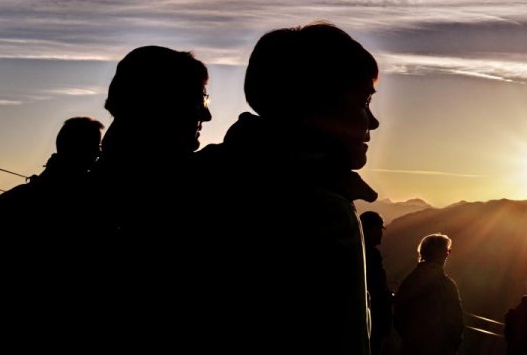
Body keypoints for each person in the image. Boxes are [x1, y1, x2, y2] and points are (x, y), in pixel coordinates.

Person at [196, 23, 381, 354]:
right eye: (364, 101)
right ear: (319, 105)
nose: (373, 121)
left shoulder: (203, 177)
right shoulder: (321, 210)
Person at [0, 117, 106, 351]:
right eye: (96, 149)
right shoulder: (92, 208)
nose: (98, 156)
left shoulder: (12, 201)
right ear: (86, 153)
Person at [395, 233, 467, 355]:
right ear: (440, 254)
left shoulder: (410, 280)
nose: (448, 254)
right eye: (447, 251)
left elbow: (398, 313)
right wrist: (453, 344)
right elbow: (455, 321)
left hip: (411, 347)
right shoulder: (446, 285)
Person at [363, 211, 394, 355]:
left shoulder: (360, 251)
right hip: (373, 320)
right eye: (381, 228)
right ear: (372, 229)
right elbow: (378, 288)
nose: (382, 233)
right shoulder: (371, 255)